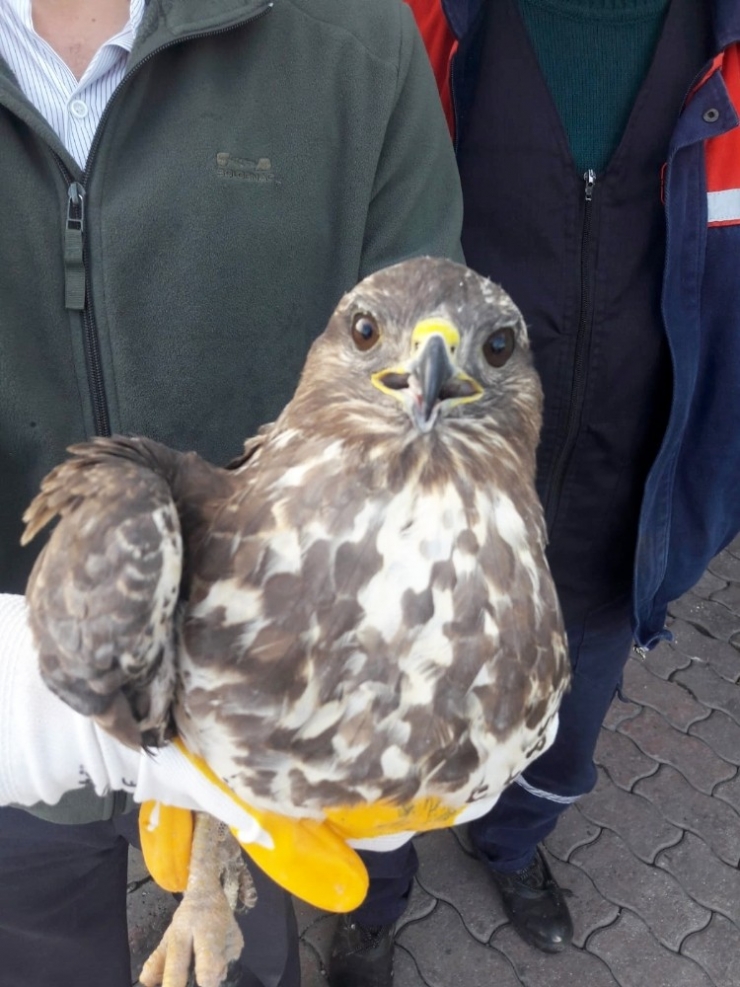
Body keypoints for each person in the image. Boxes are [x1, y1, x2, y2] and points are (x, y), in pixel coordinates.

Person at [0, 1, 463, 985]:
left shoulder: (352, 43)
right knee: (33, 940)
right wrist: (25, 704)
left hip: (261, 711)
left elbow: (429, 403)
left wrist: (421, 625)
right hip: (12, 753)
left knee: (235, 952)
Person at [326, 0, 740, 983]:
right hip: (426, 497)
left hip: (623, 494)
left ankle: (508, 846)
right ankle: (370, 898)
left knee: (563, 720)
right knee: (387, 713)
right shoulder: (421, 23)